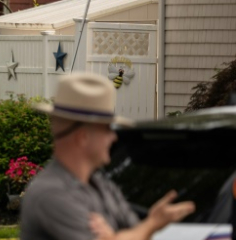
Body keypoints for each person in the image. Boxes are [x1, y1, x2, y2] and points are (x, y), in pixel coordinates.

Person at [20, 72, 195, 240]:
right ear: (83, 137)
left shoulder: (101, 185)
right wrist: (152, 224)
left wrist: (116, 237)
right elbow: (141, 232)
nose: (114, 137)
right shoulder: (50, 194)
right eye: (107, 129)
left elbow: (139, 233)